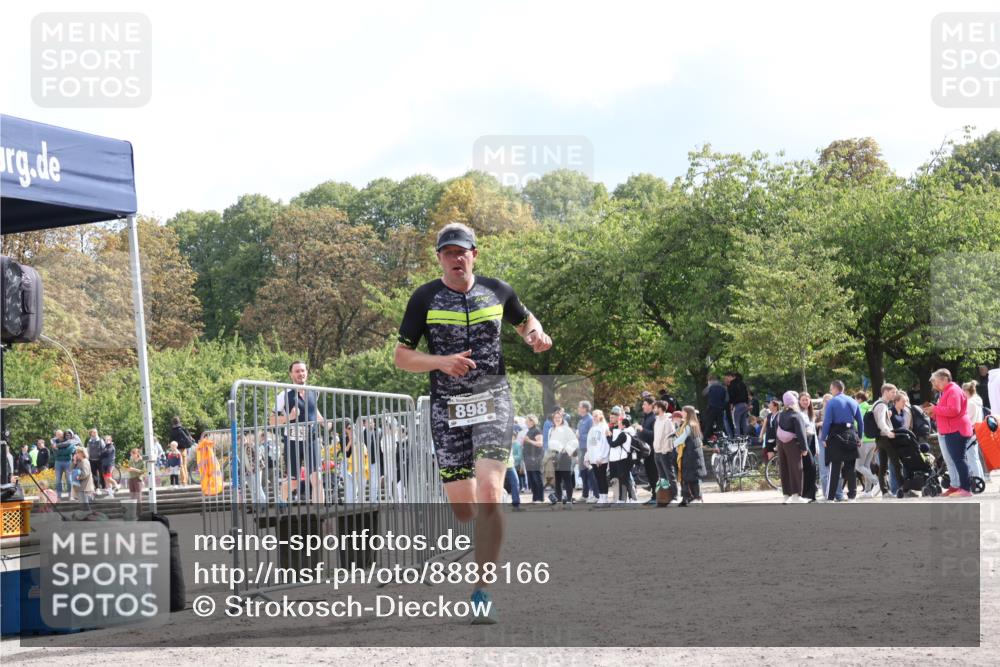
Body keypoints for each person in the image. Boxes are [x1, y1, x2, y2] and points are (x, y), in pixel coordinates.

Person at [393, 222, 552, 624]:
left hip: (493, 400)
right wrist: (441, 362)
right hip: (448, 408)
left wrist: (536, 335)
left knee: (490, 492)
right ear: (439, 258)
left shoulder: (499, 290)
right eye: (448, 252)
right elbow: (402, 357)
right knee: (464, 509)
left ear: (474, 254)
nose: (456, 258)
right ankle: (479, 532)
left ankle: (482, 590)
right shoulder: (424, 298)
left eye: (461, 251)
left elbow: (526, 321)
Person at [269, 360, 331, 504]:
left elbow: (313, 410)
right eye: (297, 371)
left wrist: (324, 422)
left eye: (302, 371)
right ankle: (282, 505)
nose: (300, 374)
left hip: (312, 438)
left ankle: (319, 515)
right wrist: (289, 417)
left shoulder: (314, 392)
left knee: (317, 478)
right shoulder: (283, 395)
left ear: (307, 373)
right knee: (293, 482)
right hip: (292, 440)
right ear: (291, 374)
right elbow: (271, 420)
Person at [928, 369, 974, 497]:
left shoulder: (953, 390)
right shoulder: (947, 391)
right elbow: (946, 411)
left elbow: (954, 410)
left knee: (959, 460)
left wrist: (935, 409)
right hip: (951, 430)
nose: (936, 385)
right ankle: (955, 487)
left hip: (956, 430)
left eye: (937, 381)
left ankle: (965, 488)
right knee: (955, 460)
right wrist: (934, 412)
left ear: (944, 379)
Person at [819, 380, 864, 502]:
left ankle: (830, 497)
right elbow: (860, 421)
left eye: (831, 388)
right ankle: (852, 496)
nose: (830, 391)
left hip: (836, 435)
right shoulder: (853, 401)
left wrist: (823, 437)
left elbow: (827, 422)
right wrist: (859, 437)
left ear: (835, 388)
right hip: (851, 434)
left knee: (835, 467)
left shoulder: (832, 402)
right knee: (851, 468)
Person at [775, 391, 810, 503]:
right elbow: (801, 433)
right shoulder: (796, 415)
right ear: (794, 402)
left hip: (781, 444)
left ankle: (786, 495)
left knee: (784, 468)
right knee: (796, 468)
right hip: (792, 444)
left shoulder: (780, 414)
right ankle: (796, 495)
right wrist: (804, 448)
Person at [873, 384, 905, 498]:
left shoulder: (878, 404)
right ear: (885, 392)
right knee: (897, 464)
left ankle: (885, 492)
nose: (895, 394)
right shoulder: (882, 405)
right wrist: (888, 432)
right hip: (886, 438)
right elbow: (881, 422)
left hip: (880, 439)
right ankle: (903, 489)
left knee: (883, 466)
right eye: (893, 392)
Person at [675, 406, 706, 505]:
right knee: (692, 477)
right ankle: (695, 496)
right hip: (693, 454)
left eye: (683, 412)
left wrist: (672, 444)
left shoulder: (688, 425)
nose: (681, 413)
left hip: (689, 454)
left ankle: (689, 497)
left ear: (687, 413)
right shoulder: (694, 424)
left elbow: (681, 439)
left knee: (687, 477)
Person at [547, 410, 577, 506]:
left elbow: (574, 441)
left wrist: (567, 450)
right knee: (557, 480)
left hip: (564, 455)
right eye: (555, 418)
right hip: (554, 456)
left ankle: (569, 501)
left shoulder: (567, 429)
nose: (557, 419)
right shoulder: (551, 430)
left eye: (559, 418)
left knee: (567, 478)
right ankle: (559, 501)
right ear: (553, 419)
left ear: (562, 419)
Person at [607, 407, 637, 503]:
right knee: (622, 479)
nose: (610, 419)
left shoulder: (624, 431)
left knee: (626, 479)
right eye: (610, 417)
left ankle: (630, 498)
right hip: (616, 458)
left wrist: (608, 437)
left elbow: (613, 444)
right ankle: (624, 498)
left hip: (623, 458)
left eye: (612, 417)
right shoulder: (613, 428)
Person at [652, 399, 678, 504]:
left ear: (660, 408)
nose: (654, 409)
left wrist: (664, 450)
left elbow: (669, 437)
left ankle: (674, 495)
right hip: (657, 452)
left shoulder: (668, 421)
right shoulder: (657, 420)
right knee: (661, 477)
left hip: (665, 452)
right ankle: (665, 496)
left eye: (655, 407)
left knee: (669, 475)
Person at [635, 396, 660, 501]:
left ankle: (657, 496)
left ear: (650, 406)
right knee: (650, 474)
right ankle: (654, 496)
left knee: (654, 474)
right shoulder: (645, 417)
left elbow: (655, 434)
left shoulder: (654, 418)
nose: (643, 406)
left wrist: (642, 429)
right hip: (646, 452)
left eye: (645, 404)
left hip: (653, 451)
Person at [963, 381, 988, 483]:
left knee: (972, 458)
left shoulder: (970, 403)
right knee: (975, 458)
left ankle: (977, 480)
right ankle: (980, 478)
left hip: (971, 432)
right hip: (976, 431)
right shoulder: (977, 401)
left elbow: (966, 418)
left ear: (966, 391)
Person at [854, 392, 877, 499]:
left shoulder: (859, 409)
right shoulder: (871, 407)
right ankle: (868, 491)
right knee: (866, 466)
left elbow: (856, 424)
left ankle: (876, 482)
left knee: (858, 466)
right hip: (873, 440)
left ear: (859, 399)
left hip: (864, 440)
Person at [585, 409, 611, 507]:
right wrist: (587, 456)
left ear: (601, 416)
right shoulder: (592, 428)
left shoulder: (604, 427)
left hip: (601, 458)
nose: (594, 417)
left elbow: (605, 443)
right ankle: (601, 497)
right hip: (593, 458)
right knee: (597, 478)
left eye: (596, 415)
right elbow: (591, 444)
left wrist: (602, 456)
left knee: (602, 478)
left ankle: (605, 498)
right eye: (593, 415)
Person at [797, 392, 818, 502]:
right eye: (803, 400)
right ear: (799, 401)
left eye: (807, 399)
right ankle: (807, 494)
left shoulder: (810, 413)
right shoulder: (798, 413)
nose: (806, 402)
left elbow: (813, 429)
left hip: (812, 440)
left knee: (810, 468)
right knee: (810, 467)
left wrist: (817, 446)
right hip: (804, 441)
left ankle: (810, 494)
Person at [576, 401, 597, 502]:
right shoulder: (581, 421)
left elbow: (592, 435)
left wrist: (581, 436)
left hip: (588, 449)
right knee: (583, 473)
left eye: (579, 407)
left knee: (590, 473)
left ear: (584, 408)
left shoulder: (590, 419)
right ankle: (585, 495)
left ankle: (594, 494)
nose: (578, 409)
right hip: (581, 449)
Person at [522, 416, 544, 502]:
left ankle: (540, 498)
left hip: (535, 458)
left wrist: (529, 441)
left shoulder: (537, 430)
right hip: (528, 458)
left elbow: (540, 443)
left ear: (532, 421)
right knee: (531, 478)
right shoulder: (529, 431)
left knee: (536, 478)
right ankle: (535, 498)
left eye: (527, 421)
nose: (526, 423)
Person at [169, 417, 197, 485]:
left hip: (177, 450)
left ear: (173, 422)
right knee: (184, 465)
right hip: (184, 449)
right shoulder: (183, 429)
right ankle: (186, 481)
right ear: (179, 421)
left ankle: (184, 482)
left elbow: (170, 441)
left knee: (180, 466)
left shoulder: (172, 431)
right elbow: (189, 437)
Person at [53, 429, 79, 499]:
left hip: (68, 462)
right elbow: (56, 453)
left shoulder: (69, 440)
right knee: (58, 479)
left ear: (63, 434)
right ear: (56, 435)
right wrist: (63, 451)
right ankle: (59, 496)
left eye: (60, 434)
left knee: (69, 479)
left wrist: (60, 451)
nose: (59, 436)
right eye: (57, 434)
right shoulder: (54, 442)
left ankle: (70, 495)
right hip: (58, 462)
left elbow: (69, 451)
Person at [702, 375, 728, 440]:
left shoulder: (710, 387)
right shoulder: (723, 387)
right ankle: (720, 439)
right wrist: (723, 405)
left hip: (711, 408)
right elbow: (727, 399)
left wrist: (709, 385)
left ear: (711, 380)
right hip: (720, 409)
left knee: (708, 424)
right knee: (720, 425)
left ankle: (705, 440)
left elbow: (703, 393)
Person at [725, 372, 750, 437]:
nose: (727, 379)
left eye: (727, 377)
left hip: (737, 405)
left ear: (731, 376)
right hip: (744, 405)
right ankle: (746, 437)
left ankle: (737, 438)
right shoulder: (743, 384)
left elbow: (731, 396)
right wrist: (747, 404)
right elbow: (747, 394)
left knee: (736, 423)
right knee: (744, 422)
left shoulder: (732, 384)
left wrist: (731, 404)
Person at [125, 447, 147, 513]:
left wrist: (134, 469)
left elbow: (143, 471)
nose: (131, 456)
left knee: (138, 496)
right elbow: (129, 468)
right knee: (132, 496)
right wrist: (128, 469)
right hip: (131, 479)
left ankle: (139, 512)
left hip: (138, 479)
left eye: (132, 454)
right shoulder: (131, 461)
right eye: (131, 455)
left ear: (136, 454)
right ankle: (133, 512)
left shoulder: (141, 461)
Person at [85, 428, 106, 493]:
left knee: (101, 474)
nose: (94, 433)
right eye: (93, 432)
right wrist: (87, 457)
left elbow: (104, 449)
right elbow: (88, 449)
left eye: (95, 432)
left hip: (100, 460)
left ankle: (104, 487)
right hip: (92, 460)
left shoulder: (100, 440)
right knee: (94, 475)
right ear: (91, 433)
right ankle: (97, 488)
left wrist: (102, 457)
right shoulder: (89, 441)